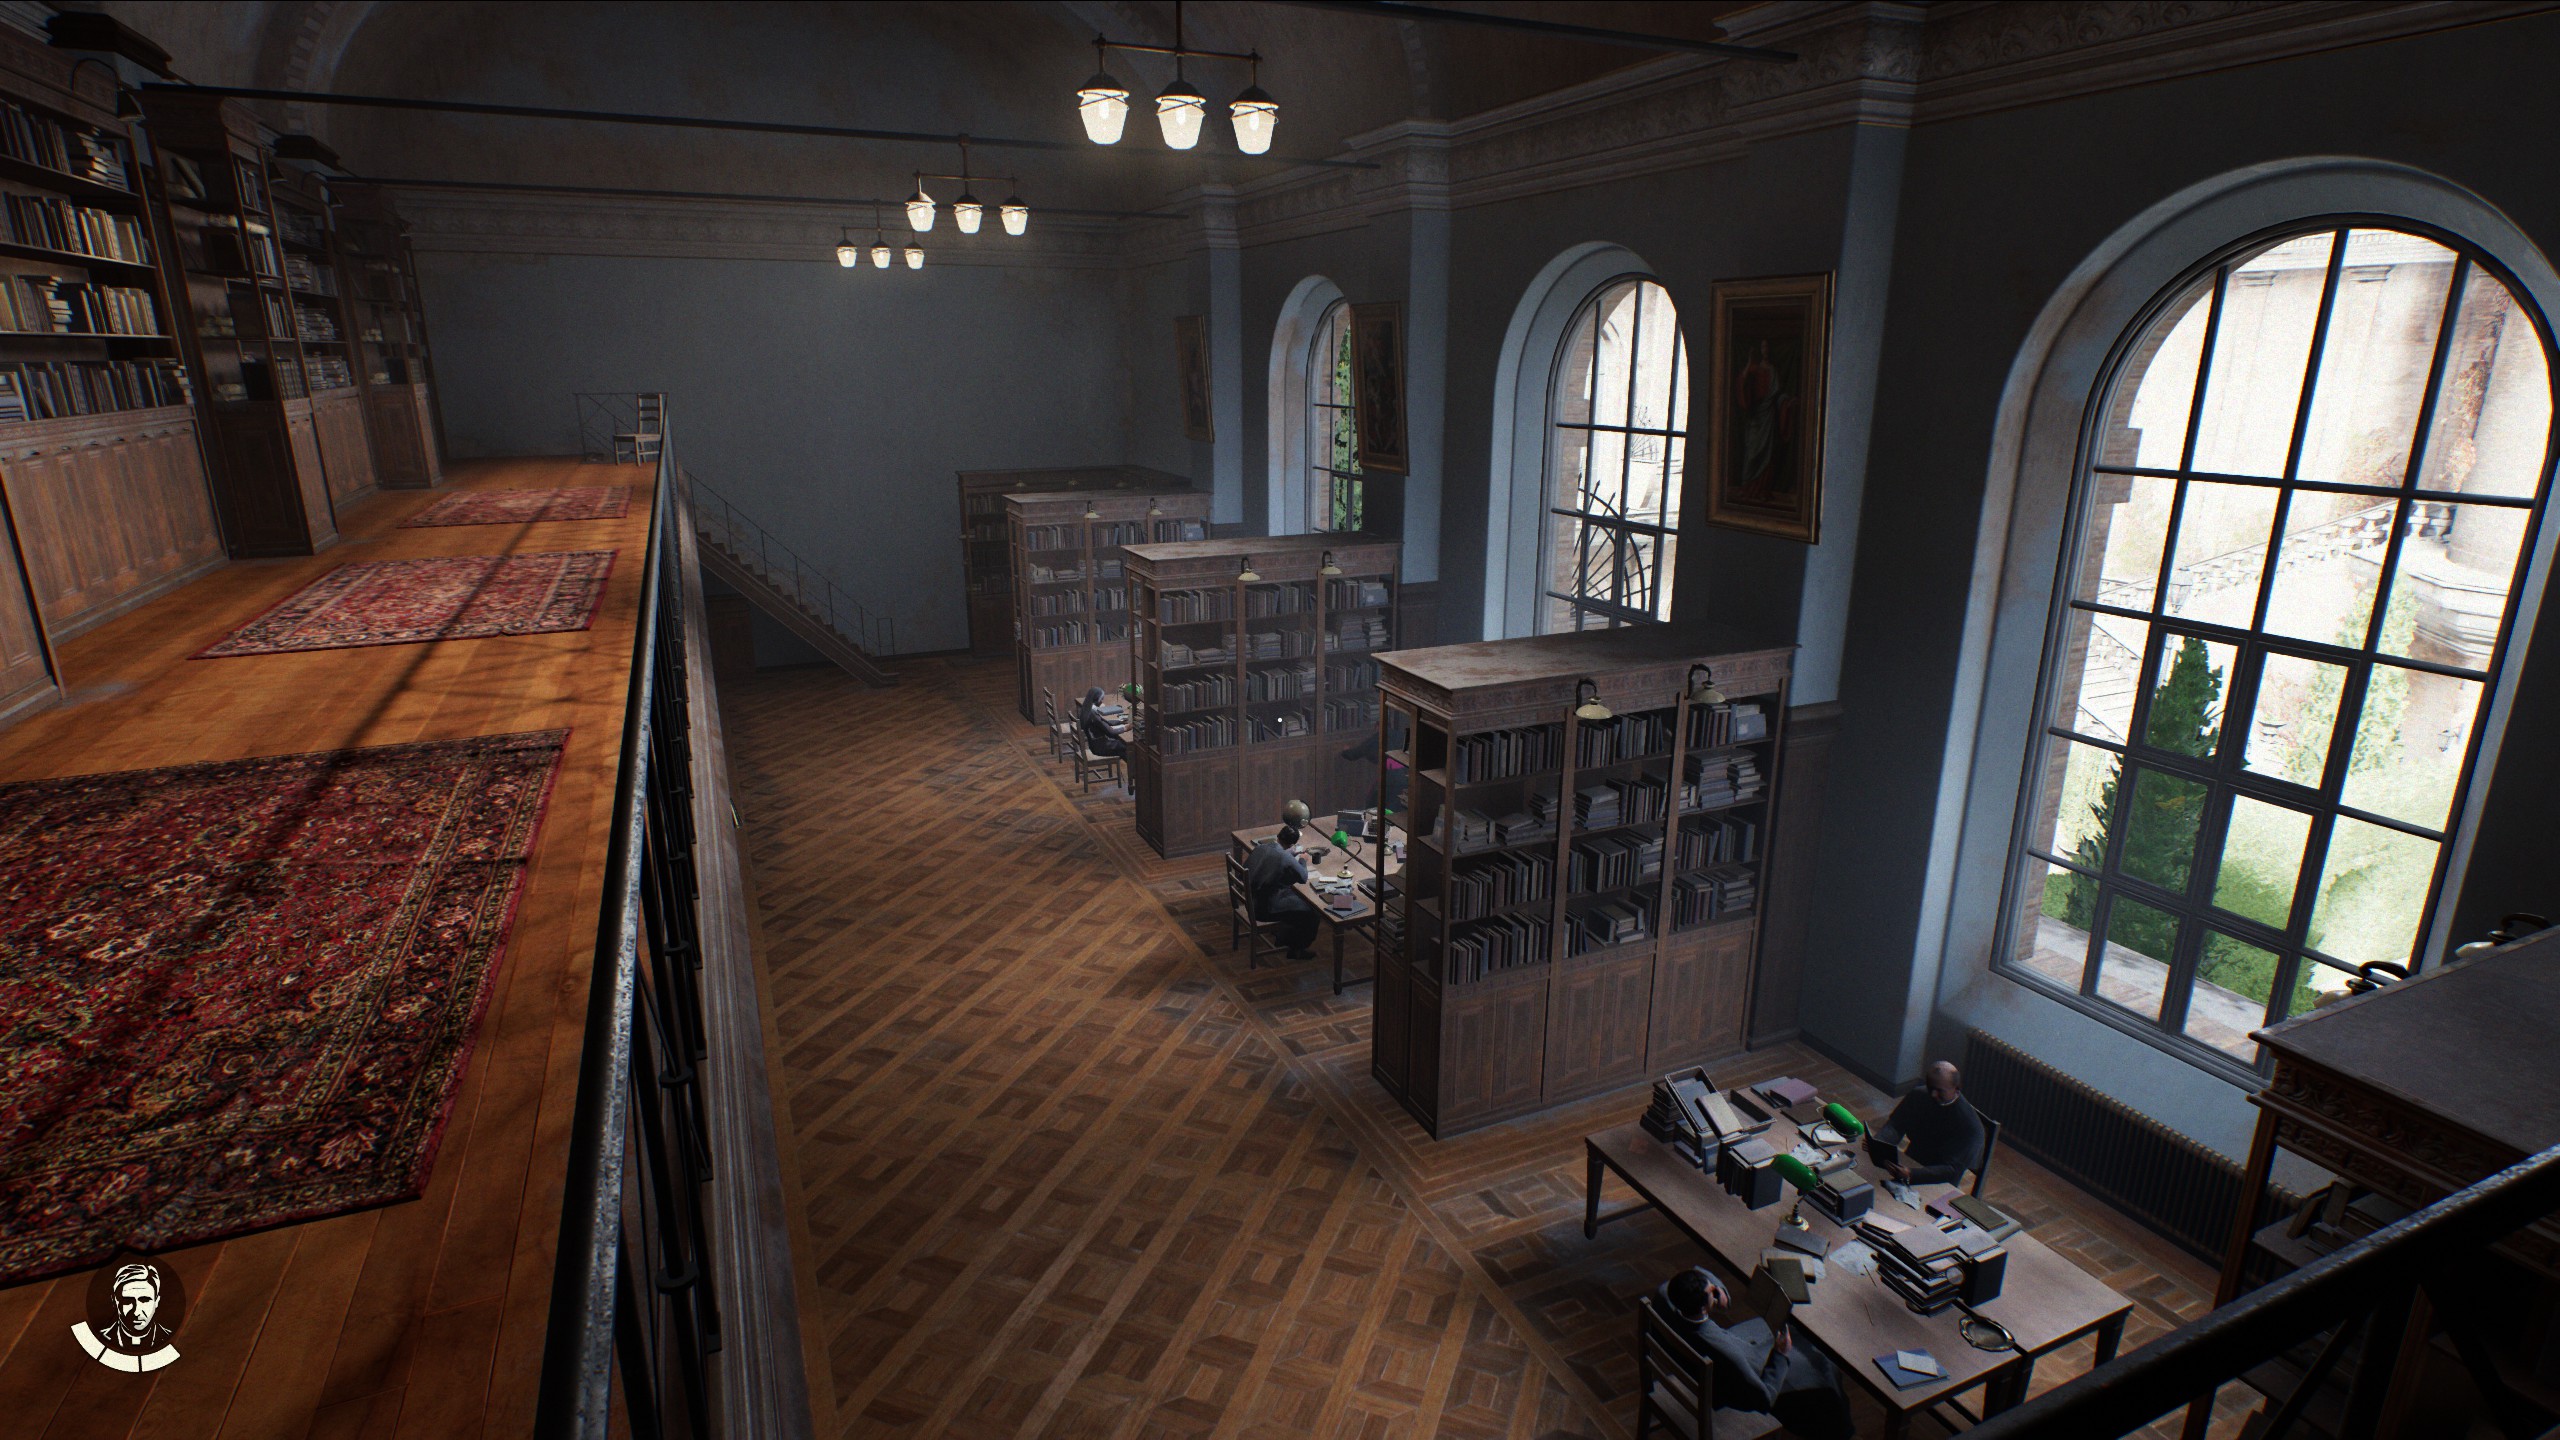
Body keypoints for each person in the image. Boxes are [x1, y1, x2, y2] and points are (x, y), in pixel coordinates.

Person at [1656, 1267, 1853, 1440]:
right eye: (1712, 1292)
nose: (1716, 1291)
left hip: (1727, 1353)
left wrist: (1720, 1292)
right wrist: (1780, 1354)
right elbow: (1764, 1399)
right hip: (1742, 1377)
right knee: (1823, 1364)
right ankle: (1839, 1428)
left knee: (1790, 1330)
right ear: (1702, 1307)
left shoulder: (1665, 1296)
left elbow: (1697, 1273)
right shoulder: (1724, 1351)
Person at [1866, 1059, 1988, 1187]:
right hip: (1909, 1163)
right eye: (1930, 1088)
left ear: (1957, 1089)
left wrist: (1912, 1174)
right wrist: (1880, 1143)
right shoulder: (1919, 1095)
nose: (1933, 1094)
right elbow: (1896, 1125)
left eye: (1940, 1091)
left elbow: (1952, 1170)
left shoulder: (1971, 1128)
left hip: (1939, 1183)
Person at [1245, 823, 1321, 959]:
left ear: (1278, 836)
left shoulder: (1261, 847)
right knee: (1312, 912)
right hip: (1263, 909)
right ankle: (1296, 949)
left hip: (1250, 900)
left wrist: (1288, 854)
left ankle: (1283, 937)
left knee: (1294, 898)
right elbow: (1303, 877)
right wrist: (1302, 861)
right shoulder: (1285, 857)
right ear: (1292, 844)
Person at [1077, 686, 1126, 759]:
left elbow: (1104, 722)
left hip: (1095, 744)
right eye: (1101, 699)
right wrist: (1126, 727)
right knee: (1128, 746)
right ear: (1097, 700)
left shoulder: (1086, 709)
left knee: (1124, 746)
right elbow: (1111, 732)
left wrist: (1121, 721)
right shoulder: (1093, 714)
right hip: (1100, 747)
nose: (1102, 701)